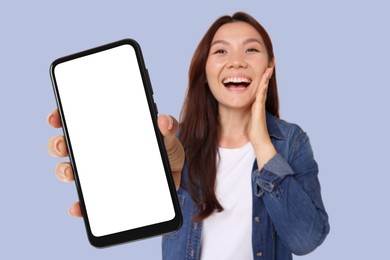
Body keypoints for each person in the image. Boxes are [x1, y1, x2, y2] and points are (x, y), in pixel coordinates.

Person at [48, 11, 329, 260]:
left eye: (251, 50)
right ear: (204, 71)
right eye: (221, 52)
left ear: (269, 66)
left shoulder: (291, 142)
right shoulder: (175, 143)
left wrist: (262, 143)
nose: (236, 62)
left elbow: (306, 240)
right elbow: (141, 210)